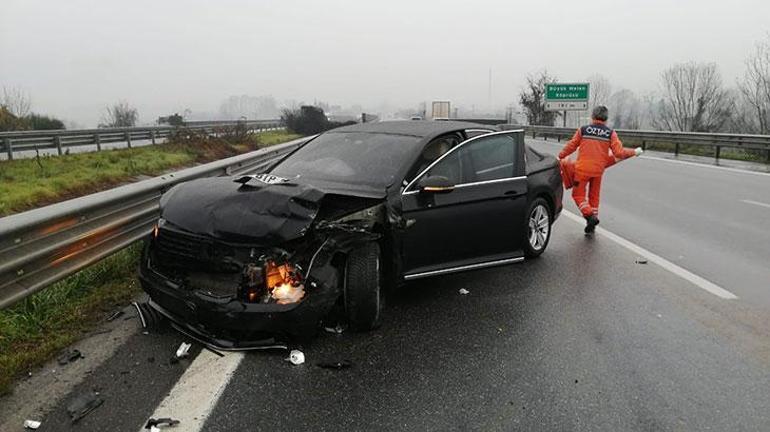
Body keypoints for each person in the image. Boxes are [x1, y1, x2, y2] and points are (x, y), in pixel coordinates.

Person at [558, 106, 643, 234]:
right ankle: (592, 222)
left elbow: (572, 146)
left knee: (578, 195)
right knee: (594, 196)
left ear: (592, 116)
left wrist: (561, 156)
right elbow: (619, 153)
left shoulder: (583, 130)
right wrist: (634, 152)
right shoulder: (610, 133)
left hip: (582, 170)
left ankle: (589, 216)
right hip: (598, 171)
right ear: (606, 118)